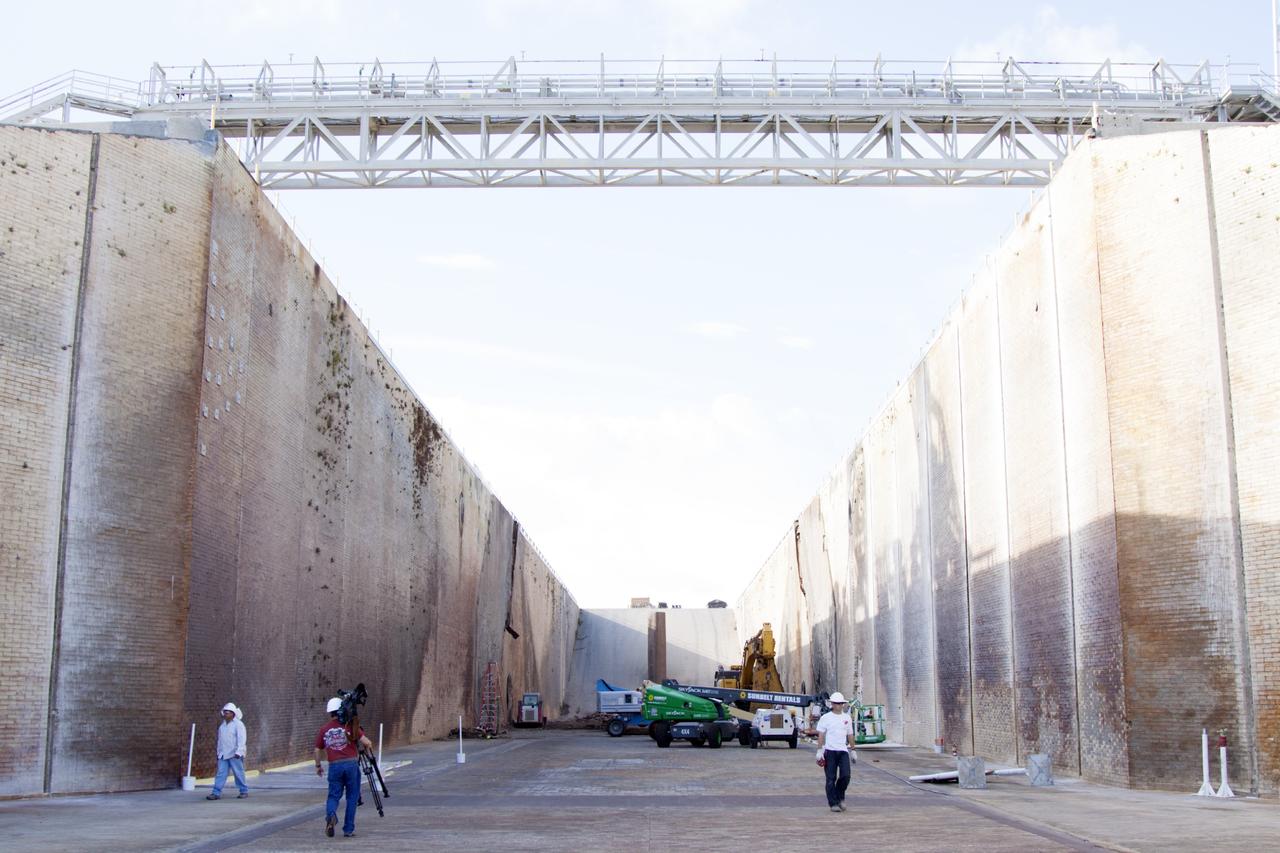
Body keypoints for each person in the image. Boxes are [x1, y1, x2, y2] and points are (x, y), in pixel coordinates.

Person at [315, 697, 373, 838]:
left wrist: (318, 765)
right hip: (351, 764)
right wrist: (366, 751)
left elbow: (317, 749)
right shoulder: (350, 726)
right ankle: (348, 829)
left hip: (334, 765)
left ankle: (331, 815)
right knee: (352, 796)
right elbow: (366, 742)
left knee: (334, 795)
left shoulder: (324, 729)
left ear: (330, 713)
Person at [809, 691, 856, 812]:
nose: (839, 706)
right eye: (836, 703)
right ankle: (833, 803)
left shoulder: (847, 718)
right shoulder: (826, 718)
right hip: (830, 751)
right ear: (832, 704)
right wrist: (819, 750)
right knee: (831, 778)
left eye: (840, 703)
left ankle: (840, 797)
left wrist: (853, 750)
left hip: (843, 750)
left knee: (846, 775)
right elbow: (821, 735)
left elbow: (850, 734)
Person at [206, 702, 249, 800]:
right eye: (225, 712)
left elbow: (242, 739)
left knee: (238, 772)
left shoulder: (238, 725)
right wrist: (218, 752)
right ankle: (216, 792)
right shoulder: (223, 726)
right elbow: (220, 740)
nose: (226, 714)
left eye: (228, 712)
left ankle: (243, 790)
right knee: (221, 773)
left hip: (235, 754)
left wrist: (239, 751)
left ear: (233, 713)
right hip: (223, 754)